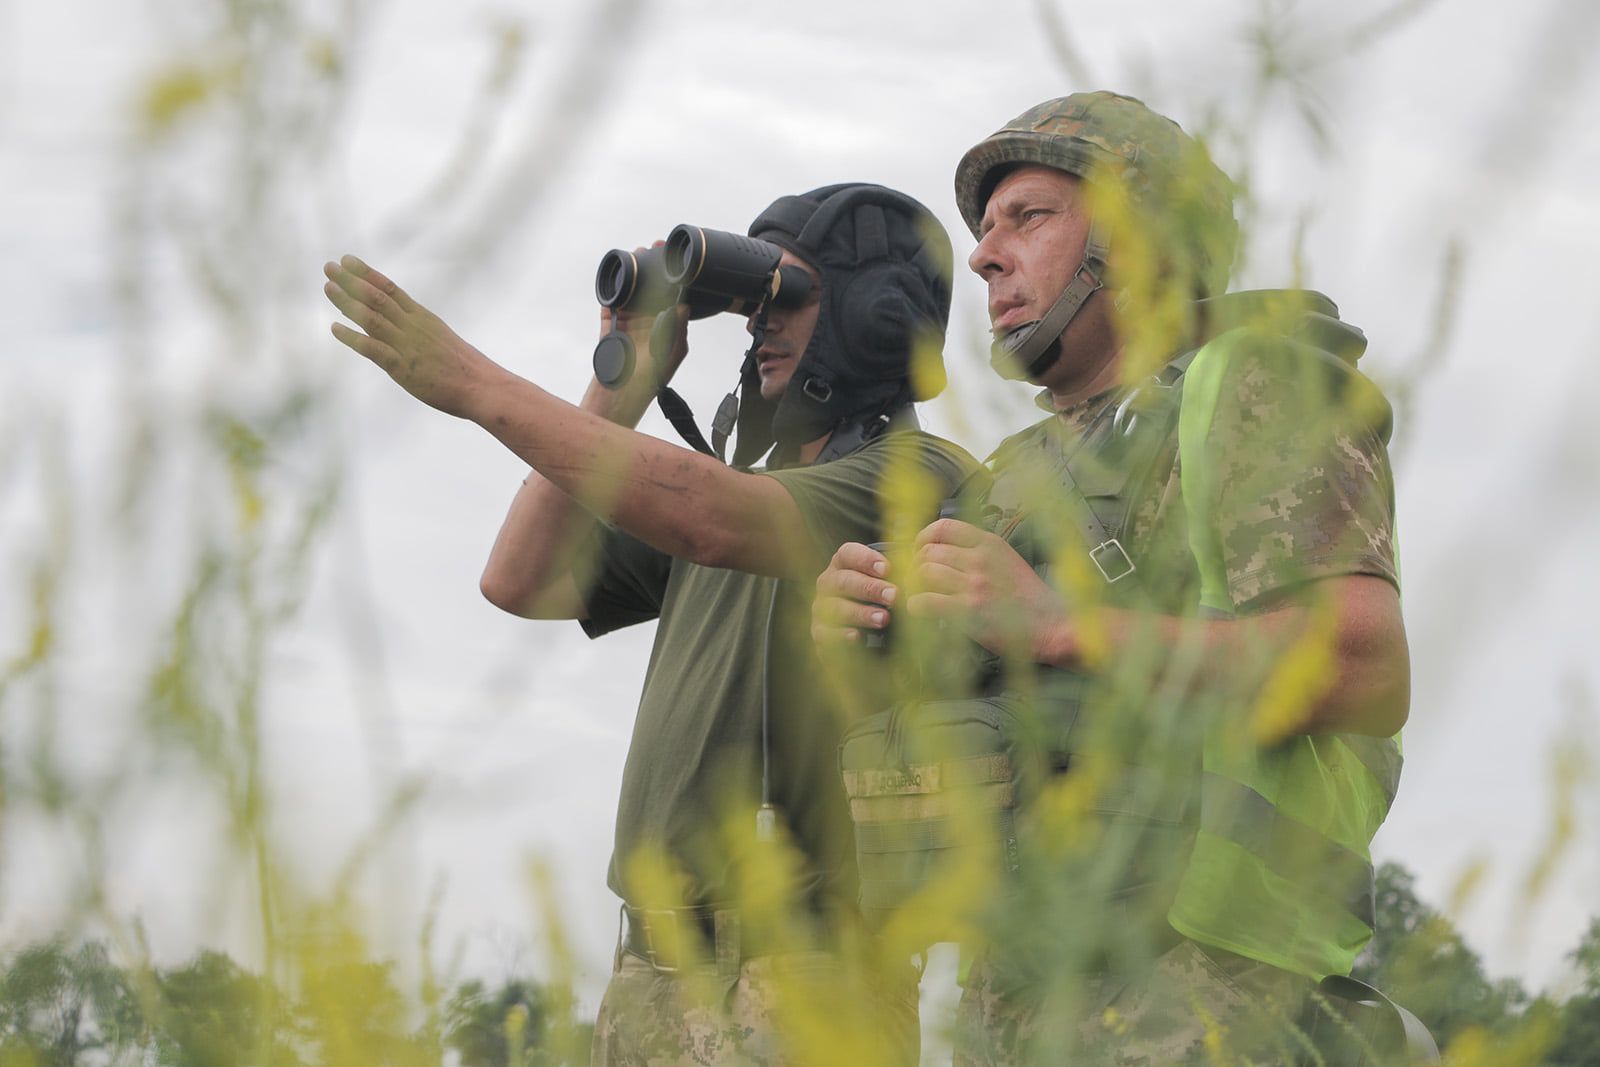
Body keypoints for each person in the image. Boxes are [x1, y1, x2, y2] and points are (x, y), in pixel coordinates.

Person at [812, 92, 1409, 1064]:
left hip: (1205, 999)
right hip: (1013, 1002)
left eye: (1029, 217)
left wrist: (1051, 622)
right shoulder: (1011, 473)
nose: (984, 254)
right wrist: (859, 633)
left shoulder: (1254, 388)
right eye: (983, 228)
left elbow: (1359, 668)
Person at [323, 181, 978, 1065]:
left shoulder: (913, 475)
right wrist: (618, 390)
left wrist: (473, 384)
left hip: (805, 970)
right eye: (755, 304)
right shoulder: (732, 483)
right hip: (652, 967)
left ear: (874, 316)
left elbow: (709, 514)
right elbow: (521, 578)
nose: (760, 325)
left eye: (790, 299)